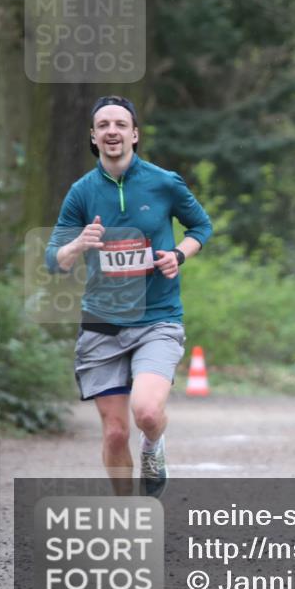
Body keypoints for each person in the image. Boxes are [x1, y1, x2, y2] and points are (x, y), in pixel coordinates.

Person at [45, 95, 212, 497]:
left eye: (120, 124)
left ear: (134, 134)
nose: (112, 132)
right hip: (102, 321)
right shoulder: (82, 192)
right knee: (116, 432)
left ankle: (154, 446)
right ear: (93, 136)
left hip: (157, 316)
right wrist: (78, 244)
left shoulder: (164, 182)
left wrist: (177, 255)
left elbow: (200, 227)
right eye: (103, 125)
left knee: (147, 413)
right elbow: (55, 260)